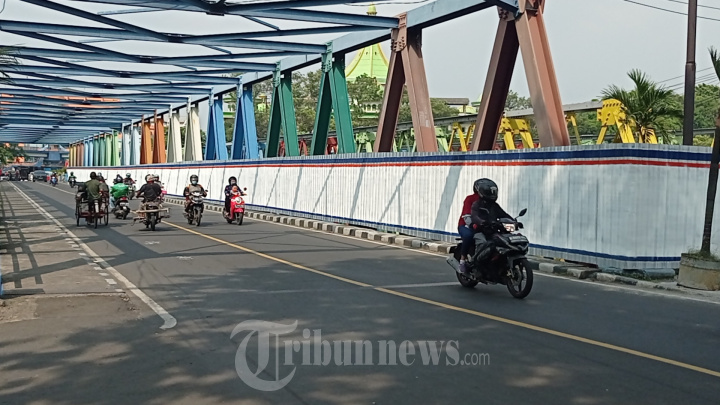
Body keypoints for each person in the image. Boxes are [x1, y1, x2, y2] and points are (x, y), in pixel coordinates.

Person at [470, 178, 513, 267]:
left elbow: (504, 215)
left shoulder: (494, 206)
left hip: (494, 231)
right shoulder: (477, 204)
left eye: (493, 192)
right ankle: (474, 263)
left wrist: (513, 221)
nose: (492, 194)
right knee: (483, 244)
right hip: (480, 231)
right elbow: (474, 217)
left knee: (506, 242)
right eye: (489, 192)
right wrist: (482, 222)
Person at [457, 179, 483, 274]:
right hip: (465, 225)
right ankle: (462, 261)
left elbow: (498, 212)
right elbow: (466, 216)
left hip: (481, 226)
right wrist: (472, 224)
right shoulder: (470, 199)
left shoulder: (488, 201)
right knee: (468, 236)